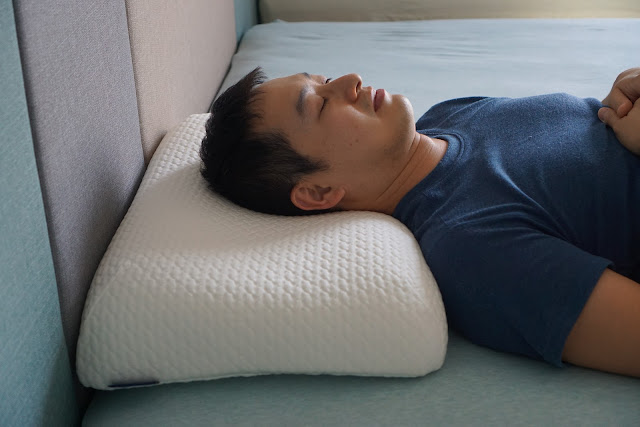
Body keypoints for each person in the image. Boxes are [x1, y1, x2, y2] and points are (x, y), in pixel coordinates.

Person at [200, 66, 640, 378]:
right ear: (318, 192)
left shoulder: (449, 115)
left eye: (325, 79)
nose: (351, 80)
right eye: (319, 104)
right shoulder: (472, 249)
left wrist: (623, 94)